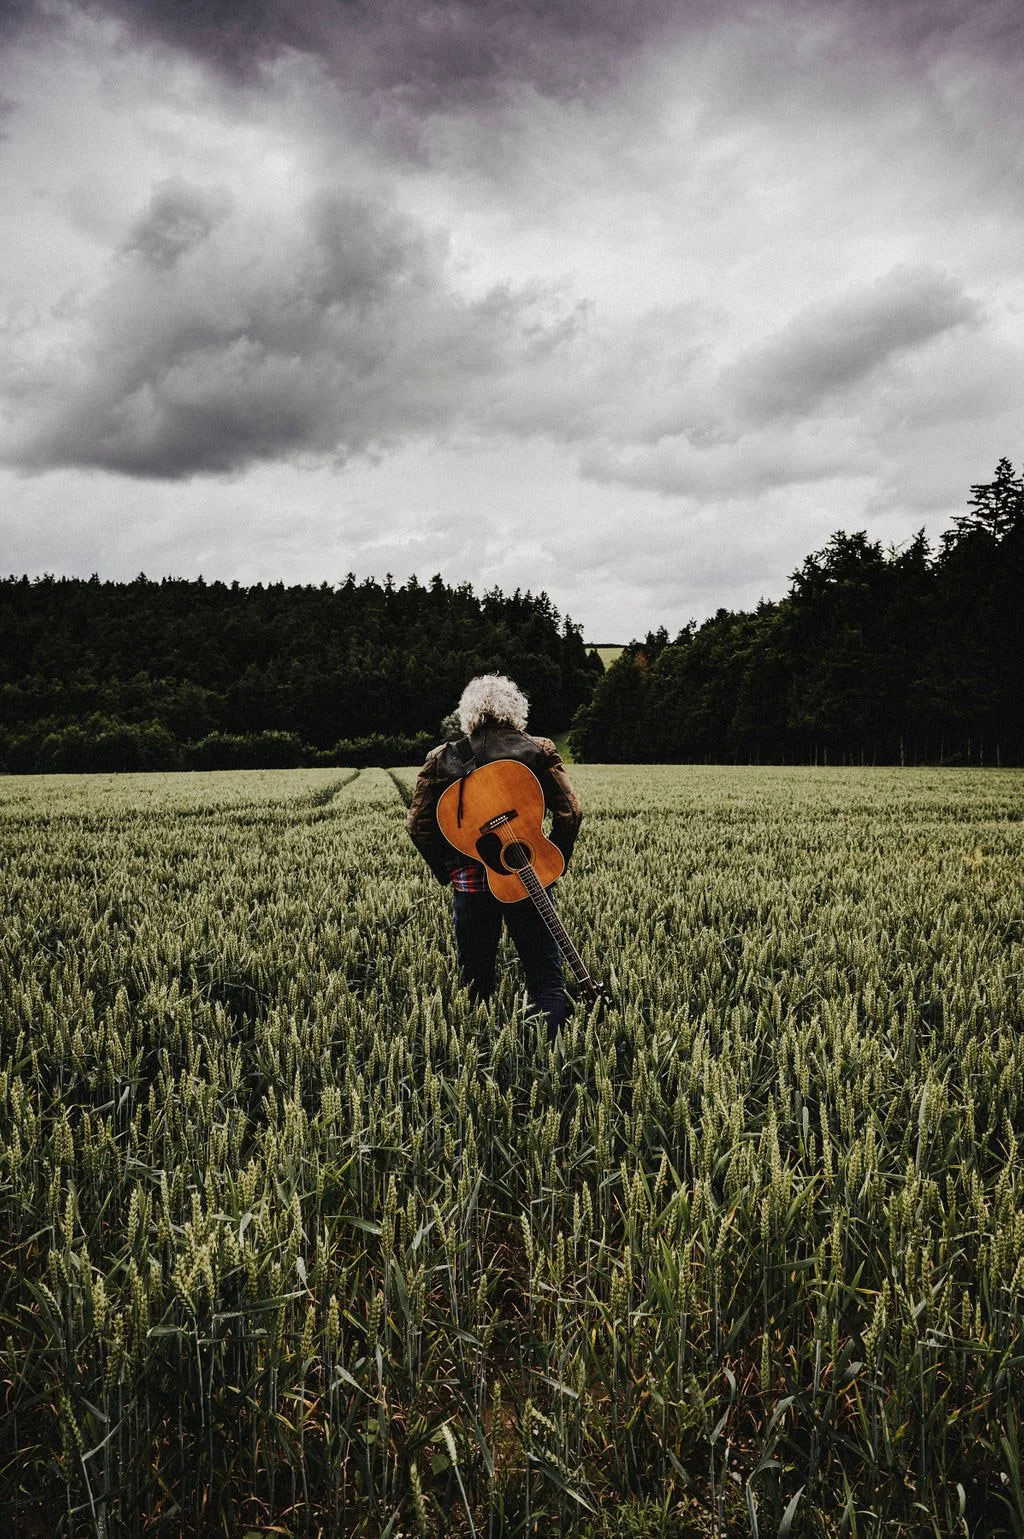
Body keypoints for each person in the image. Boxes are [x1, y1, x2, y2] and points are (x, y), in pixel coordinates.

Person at [406, 673, 582, 1033]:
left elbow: (417, 825)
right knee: (545, 979)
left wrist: (449, 869)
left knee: (477, 984)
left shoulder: (442, 758)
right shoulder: (539, 749)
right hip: (527, 879)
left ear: (468, 713)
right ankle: (552, 1066)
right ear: (515, 709)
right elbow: (570, 813)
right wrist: (550, 862)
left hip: (470, 884)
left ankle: (482, 1063)